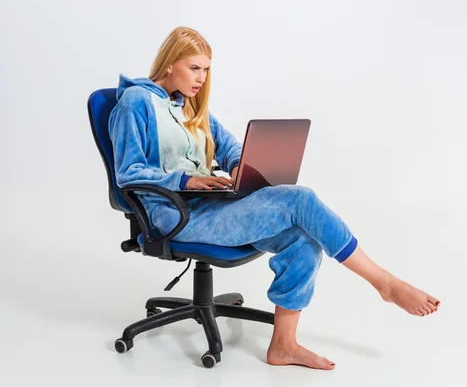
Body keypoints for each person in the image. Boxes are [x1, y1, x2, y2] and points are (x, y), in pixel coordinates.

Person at [109, 26, 440, 371]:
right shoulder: (136, 102)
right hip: (174, 215)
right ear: (169, 64)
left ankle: (283, 345)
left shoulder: (190, 105)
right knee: (301, 200)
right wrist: (187, 178)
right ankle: (385, 283)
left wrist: (239, 167)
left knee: (302, 239)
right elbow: (128, 175)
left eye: (206, 69)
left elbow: (229, 146)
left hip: (210, 205)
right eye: (194, 68)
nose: (202, 78)